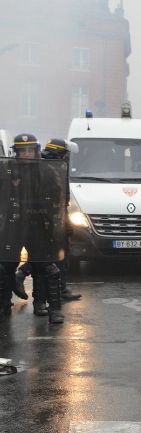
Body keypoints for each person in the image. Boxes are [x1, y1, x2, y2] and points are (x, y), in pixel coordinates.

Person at [1, 134, 66, 324]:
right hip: (13, 223)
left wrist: (53, 219)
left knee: (46, 266)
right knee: (5, 265)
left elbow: (57, 196)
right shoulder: (6, 169)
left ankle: (47, 306)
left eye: (30, 150)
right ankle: (3, 303)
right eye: (23, 150)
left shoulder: (46, 170)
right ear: (17, 152)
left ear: (36, 150)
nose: (27, 154)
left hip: (38, 223)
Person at [14, 139, 82, 305]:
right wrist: (63, 222)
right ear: (62, 153)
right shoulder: (53, 167)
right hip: (48, 219)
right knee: (51, 255)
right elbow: (57, 199)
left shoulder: (49, 165)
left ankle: (54, 290)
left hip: (47, 218)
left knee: (47, 255)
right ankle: (45, 290)